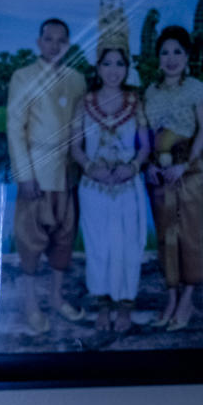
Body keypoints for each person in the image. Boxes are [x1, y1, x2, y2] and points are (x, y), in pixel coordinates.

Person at [6, 17, 88, 334]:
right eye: (49, 39)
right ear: (39, 42)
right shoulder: (22, 76)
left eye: (61, 40)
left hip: (67, 172)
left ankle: (56, 297)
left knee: (64, 238)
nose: (55, 45)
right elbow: (15, 128)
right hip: (36, 173)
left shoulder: (77, 79)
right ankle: (31, 304)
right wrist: (24, 175)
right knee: (31, 240)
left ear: (68, 45)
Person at [143, 25, 203, 331]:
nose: (171, 59)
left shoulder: (198, 90)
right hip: (160, 173)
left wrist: (185, 163)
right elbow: (147, 134)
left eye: (177, 52)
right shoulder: (151, 92)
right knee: (166, 235)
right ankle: (171, 297)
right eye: (165, 52)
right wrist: (149, 164)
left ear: (187, 56)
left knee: (190, 234)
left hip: (188, 170)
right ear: (158, 57)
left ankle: (187, 300)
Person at [70, 43, 150, 332]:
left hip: (129, 186)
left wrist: (133, 167)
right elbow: (75, 147)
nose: (114, 70)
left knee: (129, 246)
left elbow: (145, 146)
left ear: (127, 69)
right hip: (95, 187)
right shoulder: (84, 102)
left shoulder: (135, 101)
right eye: (108, 63)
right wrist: (94, 170)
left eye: (120, 64)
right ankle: (103, 306)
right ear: (98, 67)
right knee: (98, 247)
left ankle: (125, 307)